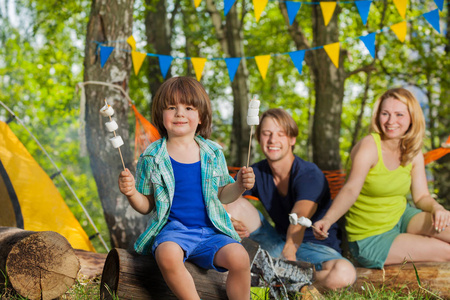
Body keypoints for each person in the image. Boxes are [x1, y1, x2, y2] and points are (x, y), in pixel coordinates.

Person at [118, 76, 254, 300]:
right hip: (174, 232)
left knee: (239, 257)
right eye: (172, 107)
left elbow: (223, 195)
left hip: (211, 232)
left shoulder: (212, 153)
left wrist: (239, 185)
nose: (180, 113)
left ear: (200, 116)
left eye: (189, 107)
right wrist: (132, 192)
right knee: (167, 254)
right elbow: (146, 206)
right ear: (162, 116)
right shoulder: (151, 156)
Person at [313, 87, 450, 269]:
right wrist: (328, 219)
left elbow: (421, 197)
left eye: (399, 114)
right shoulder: (369, 147)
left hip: (401, 217)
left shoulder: (412, 149)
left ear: (412, 117)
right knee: (446, 251)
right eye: (385, 114)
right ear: (378, 116)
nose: (391, 121)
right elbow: (351, 190)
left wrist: (437, 208)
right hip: (370, 236)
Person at [225, 108, 356, 291]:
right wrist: (230, 222)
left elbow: (300, 215)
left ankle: (288, 282)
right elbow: (224, 198)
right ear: (258, 138)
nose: (272, 140)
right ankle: (282, 276)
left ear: (292, 139)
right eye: (266, 134)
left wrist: (290, 248)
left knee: (344, 273)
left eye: (281, 134)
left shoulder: (310, 174)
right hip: (277, 244)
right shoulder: (257, 172)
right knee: (233, 203)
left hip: (315, 249)